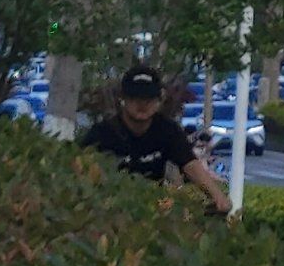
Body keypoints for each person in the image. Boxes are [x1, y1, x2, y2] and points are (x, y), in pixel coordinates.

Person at [80, 65, 232, 215]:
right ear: (123, 99)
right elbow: (81, 171)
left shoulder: (167, 130)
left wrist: (218, 197)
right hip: (109, 210)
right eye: (135, 97)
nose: (142, 104)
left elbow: (190, 164)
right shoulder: (101, 133)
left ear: (159, 100)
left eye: (149, 98)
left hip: (151, 210)